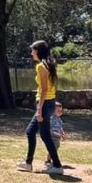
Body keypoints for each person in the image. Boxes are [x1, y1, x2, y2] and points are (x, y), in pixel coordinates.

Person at [17, 40, 64, 175]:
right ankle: (28, 163)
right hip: (49, 102)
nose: (31, 53)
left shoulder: (41, 67)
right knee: (30, 132)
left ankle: (57, 165)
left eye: (33, 50)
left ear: (38, 51)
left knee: (45, 135)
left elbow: (44, 89)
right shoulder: (49, 64)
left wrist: (39, 109)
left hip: (44, 103)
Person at [45, 101, 65, 168]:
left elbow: (60, 127)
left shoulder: (59, 120)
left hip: (58, 137)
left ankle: (52, 159)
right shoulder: (51, 118)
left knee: (56, 148)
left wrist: (62, 133)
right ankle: (48, 160)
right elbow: (49, 127)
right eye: (58, 110)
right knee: (52, 149)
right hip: (53, 136)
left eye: (61, 110)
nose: (60, 112)